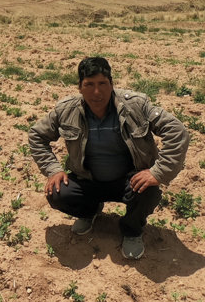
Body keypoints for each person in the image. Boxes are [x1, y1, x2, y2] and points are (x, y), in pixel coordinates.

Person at [28, 56, 190, 260]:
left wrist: (158, 172)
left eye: (102, 83)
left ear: (112, 83)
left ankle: (132, 230)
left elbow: (177, 131)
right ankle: (89, 211)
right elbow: (37, 135)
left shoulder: (135, 105)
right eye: (89, 84)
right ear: (80, 87)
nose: (97, 92)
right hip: (88, 180)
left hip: (130, 180)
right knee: (58, 192)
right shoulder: (66, 110)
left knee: (148, 191)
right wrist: (53, 170)